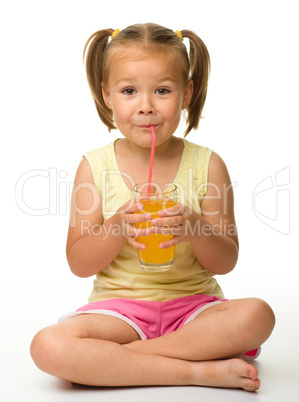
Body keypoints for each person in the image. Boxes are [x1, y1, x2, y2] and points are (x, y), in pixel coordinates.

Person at [30, 23, 275, 392]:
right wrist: (116, 227)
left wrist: (195, 228)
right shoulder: (94, 167)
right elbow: (79, 264)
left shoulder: (207, 165)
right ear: (107, 95)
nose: (146, 105)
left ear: (186, 93)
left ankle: (122, 361)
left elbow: (226, 261)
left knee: (258, 314)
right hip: (119, 312)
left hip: (195, 309)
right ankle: (196, 371)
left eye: (162, 90)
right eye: (129, 91)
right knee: (47, 345)